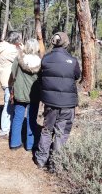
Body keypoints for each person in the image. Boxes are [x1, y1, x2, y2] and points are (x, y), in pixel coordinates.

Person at [35, 32, 80, 172]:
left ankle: (41, 160)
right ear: (66, 43)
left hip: (50, 103)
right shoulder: (72, 61)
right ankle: (56, 163)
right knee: (62, 133)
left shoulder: (45, 59)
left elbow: (41, 76)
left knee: (47, 130)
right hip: (68, 104)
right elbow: (77, 76)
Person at [9, 39, 41, 151]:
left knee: (18, 118)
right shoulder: (41, 62)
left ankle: (14, 144)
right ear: (37, 48)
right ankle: (30, 145)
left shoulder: (19, 59)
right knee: (31, 119)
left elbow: (13, 74)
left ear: (26, 47)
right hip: (34, 94)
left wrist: (10, 87)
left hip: (20, 92)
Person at [0, 31, 22, 139]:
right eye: (19, 39)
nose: (21, 41)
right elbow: (22, 59)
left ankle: (8, 128)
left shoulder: (4, 47)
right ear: (16, 40)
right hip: (9, 81)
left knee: (9, 104)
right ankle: (4, 131)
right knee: (8, 105)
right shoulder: (11, 50)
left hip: (6, 79)